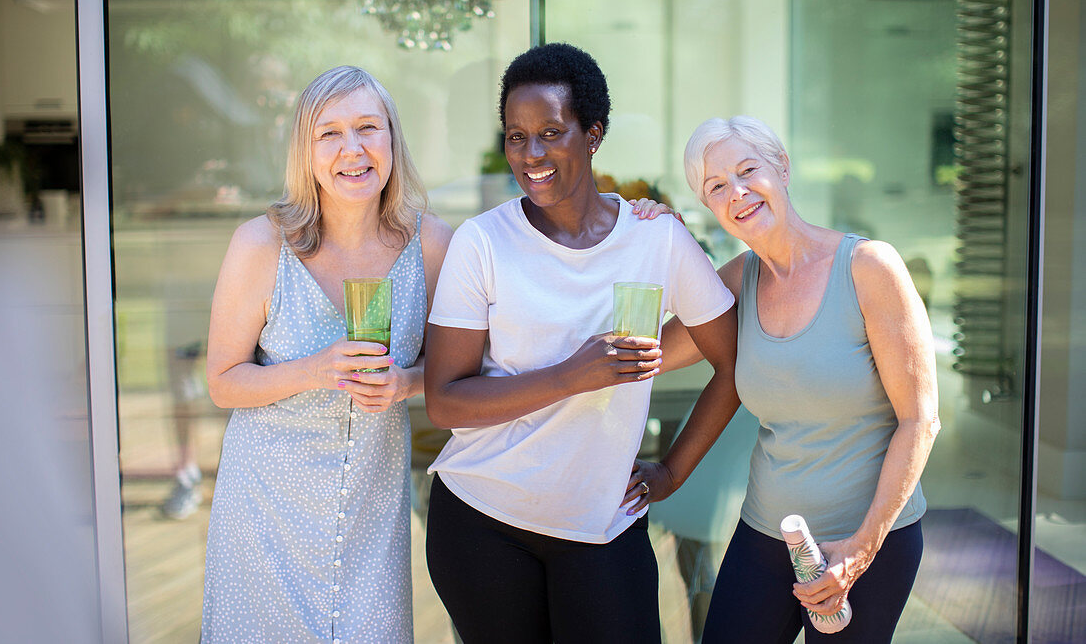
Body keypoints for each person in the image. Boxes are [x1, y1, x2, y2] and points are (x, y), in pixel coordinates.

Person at [422, 43, 740, 644]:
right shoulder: (482, 242)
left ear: (593, 135)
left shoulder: (656, 237)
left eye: (550, 132)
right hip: (482, 520)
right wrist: (572, 376)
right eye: (516, 137)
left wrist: (673, 471)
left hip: (603, 525)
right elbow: (444, 401)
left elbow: (731, 361)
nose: (532, 155)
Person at [633, 115, 940, 643]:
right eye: (716, 186)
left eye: (749, 170)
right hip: (765, 535)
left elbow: (920, 420)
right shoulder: (736, 282)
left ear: (784, 169)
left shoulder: (869, 268)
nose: (738, 192)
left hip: (864, 542)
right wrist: (662, 244)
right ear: (708, 206)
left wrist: (862, 548)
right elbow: (650, 350)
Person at [201, 65, 452, 643]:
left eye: (368, 127)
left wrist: (406, 383)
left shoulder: (433, 245)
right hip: (266, 510)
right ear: (306, 152)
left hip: (370, 506)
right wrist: (315, 368)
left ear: (392, 139)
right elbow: (222, 382)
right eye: (330, 133)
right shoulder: (261, 244)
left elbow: (452, 371)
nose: (353, 149)